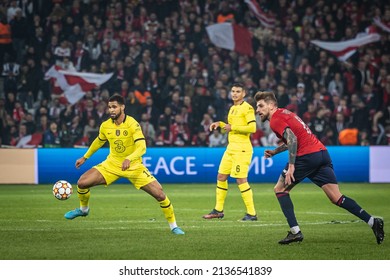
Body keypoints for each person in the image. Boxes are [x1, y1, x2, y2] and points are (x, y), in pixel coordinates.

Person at [254, 91, 385, 244]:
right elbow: (295, 137)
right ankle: (372, 222)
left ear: (271, 105)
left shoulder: (275, 119)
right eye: (257, 107)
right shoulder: (285, 113)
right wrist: (276, 151)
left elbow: (293, 139)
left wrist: (291, 166)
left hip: (306, 156)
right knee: (336, 197)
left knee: (280, 189)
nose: (258, 110)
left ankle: (295, 232)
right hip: (321, 153)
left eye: (261, 106)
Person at [64, 94, 184, 235]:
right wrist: (85, 157)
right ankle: (83, 210)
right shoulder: (105, 125)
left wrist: (129, 158)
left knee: (160, 194)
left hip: (134, 166)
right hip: (112, 165)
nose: (111, 110)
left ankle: (174, 226)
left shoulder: (133, 124)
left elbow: (142, 147)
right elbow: (99, 141)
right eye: (109, 107)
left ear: (122, 107)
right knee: (82, 183)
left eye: (114, 107)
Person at [203, 82, 257, 221]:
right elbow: (230, 127)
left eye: (238, 91)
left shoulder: (248, 108)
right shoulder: (232, 108)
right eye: (233, 91)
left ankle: (252, 213)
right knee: (221, 177)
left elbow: (252, 128)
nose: (234, 94)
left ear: (243, 94)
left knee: (241, 180)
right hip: (231, 148)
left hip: (242, 149)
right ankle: (218, 210)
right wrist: (220, 124)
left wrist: (233, 127)